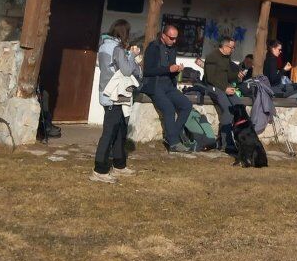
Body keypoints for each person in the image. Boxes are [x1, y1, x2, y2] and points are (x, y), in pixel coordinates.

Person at [92, 20, 141, 182]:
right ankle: (100, 170)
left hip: (106, 92)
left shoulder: (104, 45)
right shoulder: (117, 48)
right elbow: (127, 71)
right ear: (123, 32)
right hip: (114, 96)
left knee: (120, 130)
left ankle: (119, 165)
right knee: (110, 132)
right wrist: (133, 56)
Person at [142, 24, 194, 152]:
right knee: (169, 108)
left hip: (169, 86)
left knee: (186, 104)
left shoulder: (172, 49)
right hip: (155, 85)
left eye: (176, 38)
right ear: (163, 36)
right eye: (171, 38)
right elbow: (147, 71)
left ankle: (172, 135)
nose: (174, 41)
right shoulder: (153, 47)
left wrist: (177, 70)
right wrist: (168, 69)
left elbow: (170, 69)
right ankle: (174, 143)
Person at [202, 35, 241, 152]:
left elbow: (228, 75)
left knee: (239, 107)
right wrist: (224, 89)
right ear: (224, 46)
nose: (232, 50)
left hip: (225, 87)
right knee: (228, 109)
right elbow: (210, 78)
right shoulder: (211, 57)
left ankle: (238, 139)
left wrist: (237, 76)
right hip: (213, 87)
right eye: (231, 47)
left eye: (233, 48)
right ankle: (225, 143)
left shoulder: (227, 57)